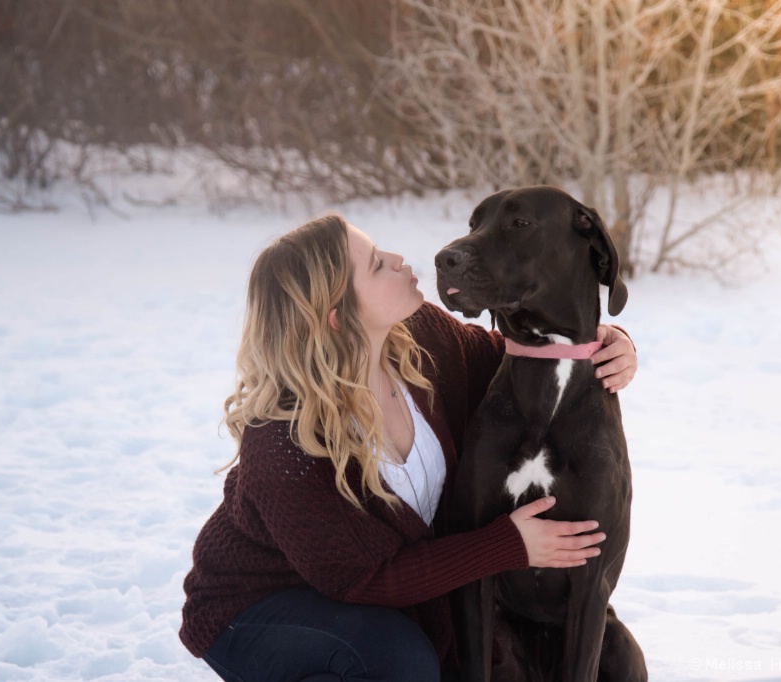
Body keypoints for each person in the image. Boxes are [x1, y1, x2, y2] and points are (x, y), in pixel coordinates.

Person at [179, 214, 638, 682]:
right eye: (377, 265)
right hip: (256, 607)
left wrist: (606, 345)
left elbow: (520, 356)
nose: (399, 260)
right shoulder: (284, 442)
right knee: (400, 662)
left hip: (373, 593)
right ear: (340, 318)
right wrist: (507, 547)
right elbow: (363, 578)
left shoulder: (421, 339)